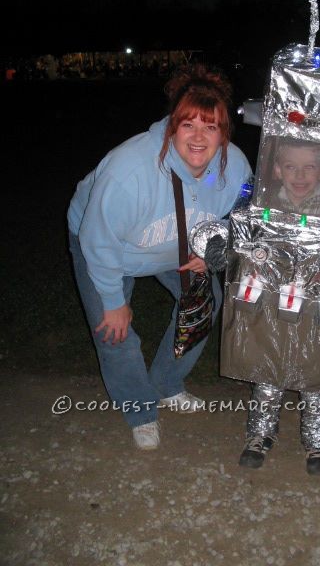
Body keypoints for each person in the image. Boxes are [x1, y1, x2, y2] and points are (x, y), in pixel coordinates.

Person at [67, 64, 252, 450]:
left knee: (206, 303)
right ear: (172, 127)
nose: (199, 137)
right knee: (114, 332)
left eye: (211, 126)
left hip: (177, 244)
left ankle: (167, 384)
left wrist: (213, 250)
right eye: (188, 125)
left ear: (224, 133)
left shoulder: (234, 168)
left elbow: (242, 220)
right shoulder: (130, 170)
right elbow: (98, 240)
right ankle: (140, 411)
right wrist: (113, 302)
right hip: (109, 249)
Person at [272, 140, 320, 217]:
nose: (300, 176)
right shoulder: (268, 200)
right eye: (290, 167)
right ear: (279, 171)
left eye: (309, 167)